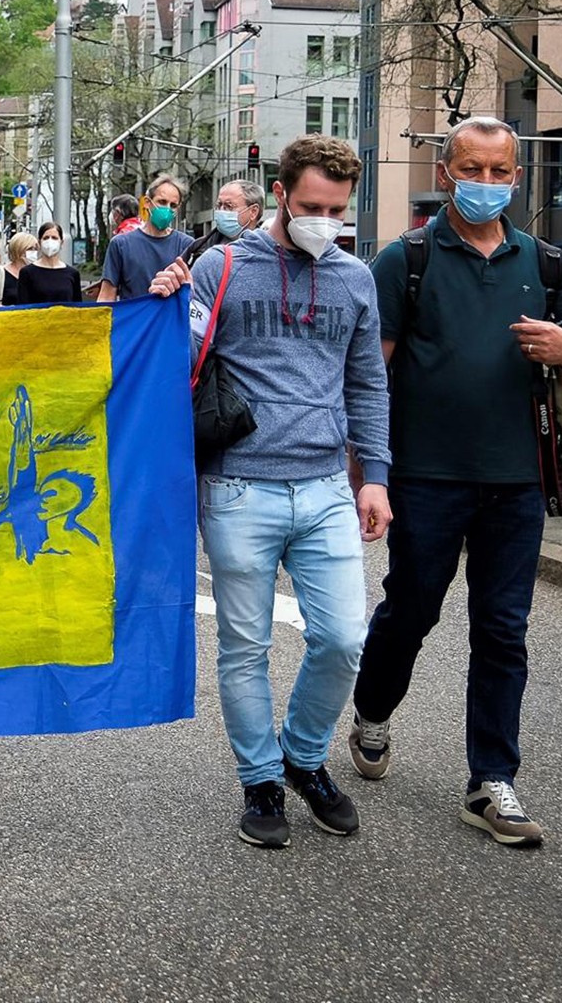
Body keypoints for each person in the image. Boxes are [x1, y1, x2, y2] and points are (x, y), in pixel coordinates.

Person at [349, 116, 562, 848]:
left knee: (503, 631)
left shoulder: (547, 264)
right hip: (427, 477)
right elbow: (372, 372)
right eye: (472, 169)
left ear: (517, 178)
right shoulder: (408, 259)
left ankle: (492, 780)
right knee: (412, 610)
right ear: (447, 172)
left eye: (499, 172)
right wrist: (370, 471)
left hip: (516, 481)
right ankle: (373, 707)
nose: (486, 183)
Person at [150, 133, 392, 850]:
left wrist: (374, 476)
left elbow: (368, 383)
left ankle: (304, 756)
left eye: (338, 209)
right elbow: (173, 365)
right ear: (280, 194)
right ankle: (260, 779)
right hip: (237, 489)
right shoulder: (221, 266)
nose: (325, 219)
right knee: (245, 647)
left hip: (323, 487)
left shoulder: (355, 278)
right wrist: (162, 306)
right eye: (312, 204)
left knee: (343, 639)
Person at [99, 175, 189, 301]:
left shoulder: (186, 245)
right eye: (162, 202)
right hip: (134, 319)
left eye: (173, 205)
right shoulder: (121, 244)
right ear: (147, 203)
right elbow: (106, 296)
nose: (167, 209)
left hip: (171, 319)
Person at [185, 179, 266, 266]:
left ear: (253, 212)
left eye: (229, 206)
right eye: (219, 205)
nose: (221, 211)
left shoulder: (268, 252)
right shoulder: (199, 246)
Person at [16, 221, 82, 305]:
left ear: (61, 242)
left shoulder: (73, 273)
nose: (50, 241)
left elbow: (78, 308)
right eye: (46, 238)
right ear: (39, 242)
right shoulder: (27, 273)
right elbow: (22, 307)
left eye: (54, 238)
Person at [2, 233, 37, 302]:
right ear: (18, 249)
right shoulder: (1, 273)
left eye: (36, 249)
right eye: (30, 249)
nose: (34, 252)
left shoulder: (37, 273)